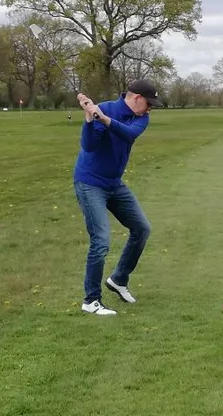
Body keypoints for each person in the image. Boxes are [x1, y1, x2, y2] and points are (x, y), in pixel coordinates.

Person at [73, 79, 162, 316]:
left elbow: (128, 135)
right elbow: (89, 146)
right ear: (136, 98)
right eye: (149, 103)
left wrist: (103, 119)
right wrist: (90, 118)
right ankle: (91, 301)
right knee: (101, 240)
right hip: (90, 182)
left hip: (114, 184)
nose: (150, 108)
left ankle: (119, 279)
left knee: (142, 228)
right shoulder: (105, 108)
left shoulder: (139, 119)